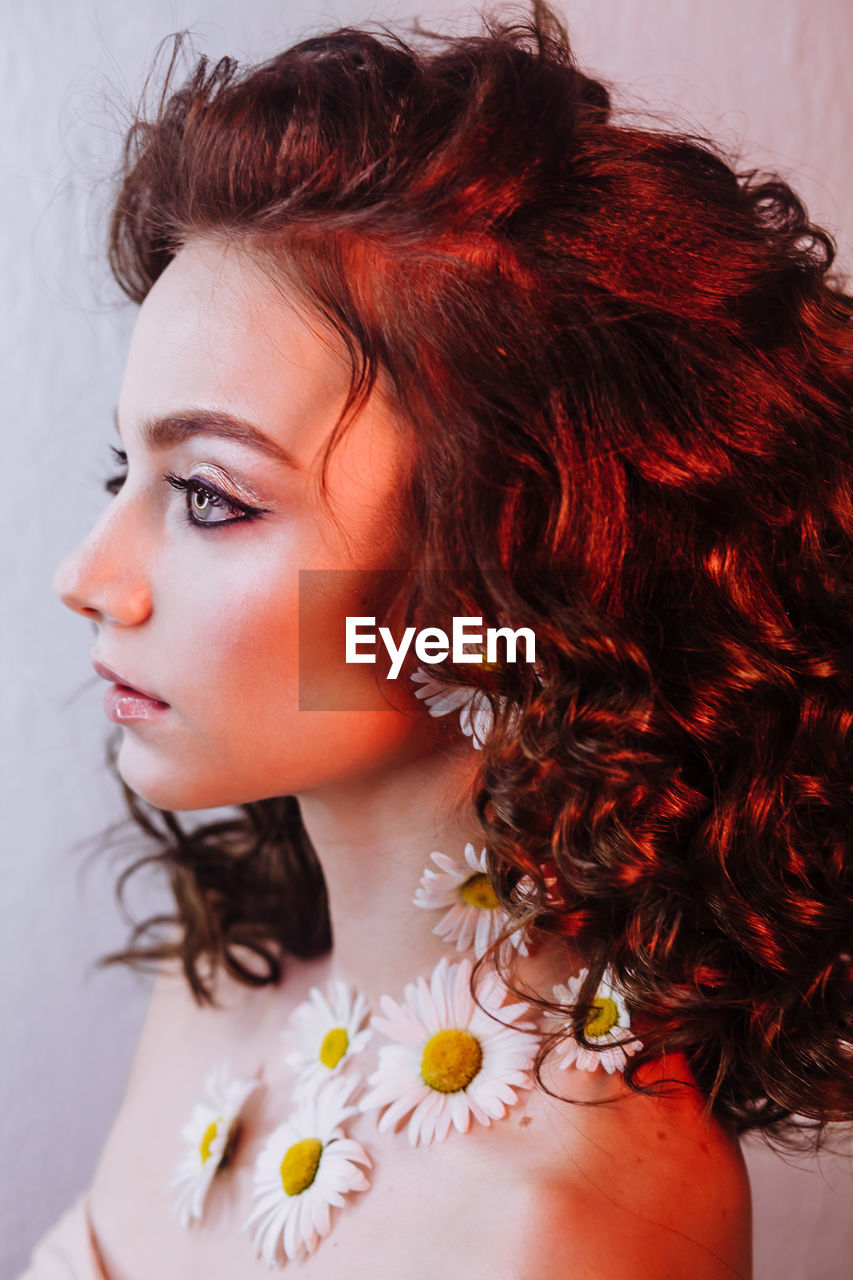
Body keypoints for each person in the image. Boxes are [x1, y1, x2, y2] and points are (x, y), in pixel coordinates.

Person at [26, 1, 853, 1274]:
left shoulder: (564, 1226)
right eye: (120, 472)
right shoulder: (221, 990)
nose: (90, 579)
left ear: (504, 583)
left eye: (211, 497)